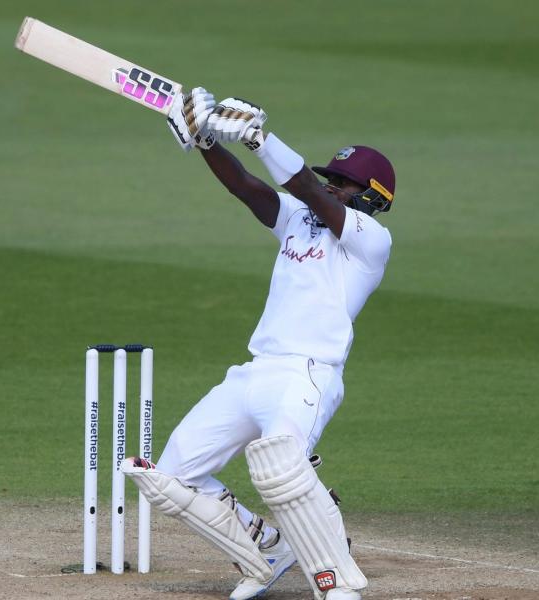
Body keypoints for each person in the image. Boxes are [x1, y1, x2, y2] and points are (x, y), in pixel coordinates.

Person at [122, 87, 396, 600]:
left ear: (371, 197)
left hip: (307, 375)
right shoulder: (298, 220)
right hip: (255, 371)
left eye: (343, 183)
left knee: (282, 471)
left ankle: (336, 581)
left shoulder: (370, 242)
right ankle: (264, 549)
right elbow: (247, 189)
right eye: (330, 179)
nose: (330, 187)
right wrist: (205, 141)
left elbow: (307, 190)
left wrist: (259, 139)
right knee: (174, 476)